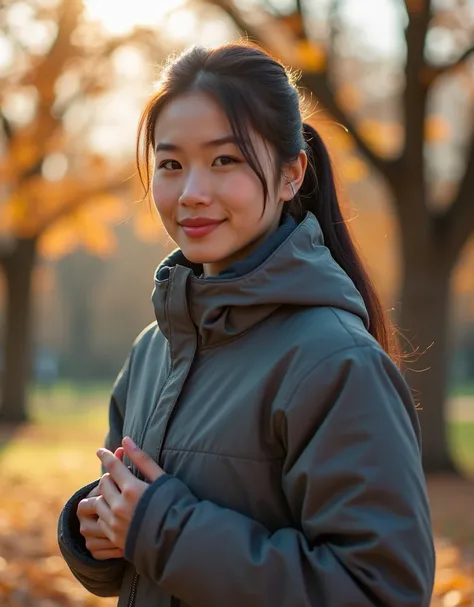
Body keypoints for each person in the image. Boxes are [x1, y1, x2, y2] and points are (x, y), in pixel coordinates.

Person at [58, 42, 435, 607]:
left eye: (224, 160)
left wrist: (160, 528)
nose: (191, 193)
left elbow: (381, 592)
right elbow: (133, 558)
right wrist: (95, 531)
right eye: (170, 164)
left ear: (291, 174)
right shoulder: (153, 349)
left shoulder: (336, 362)